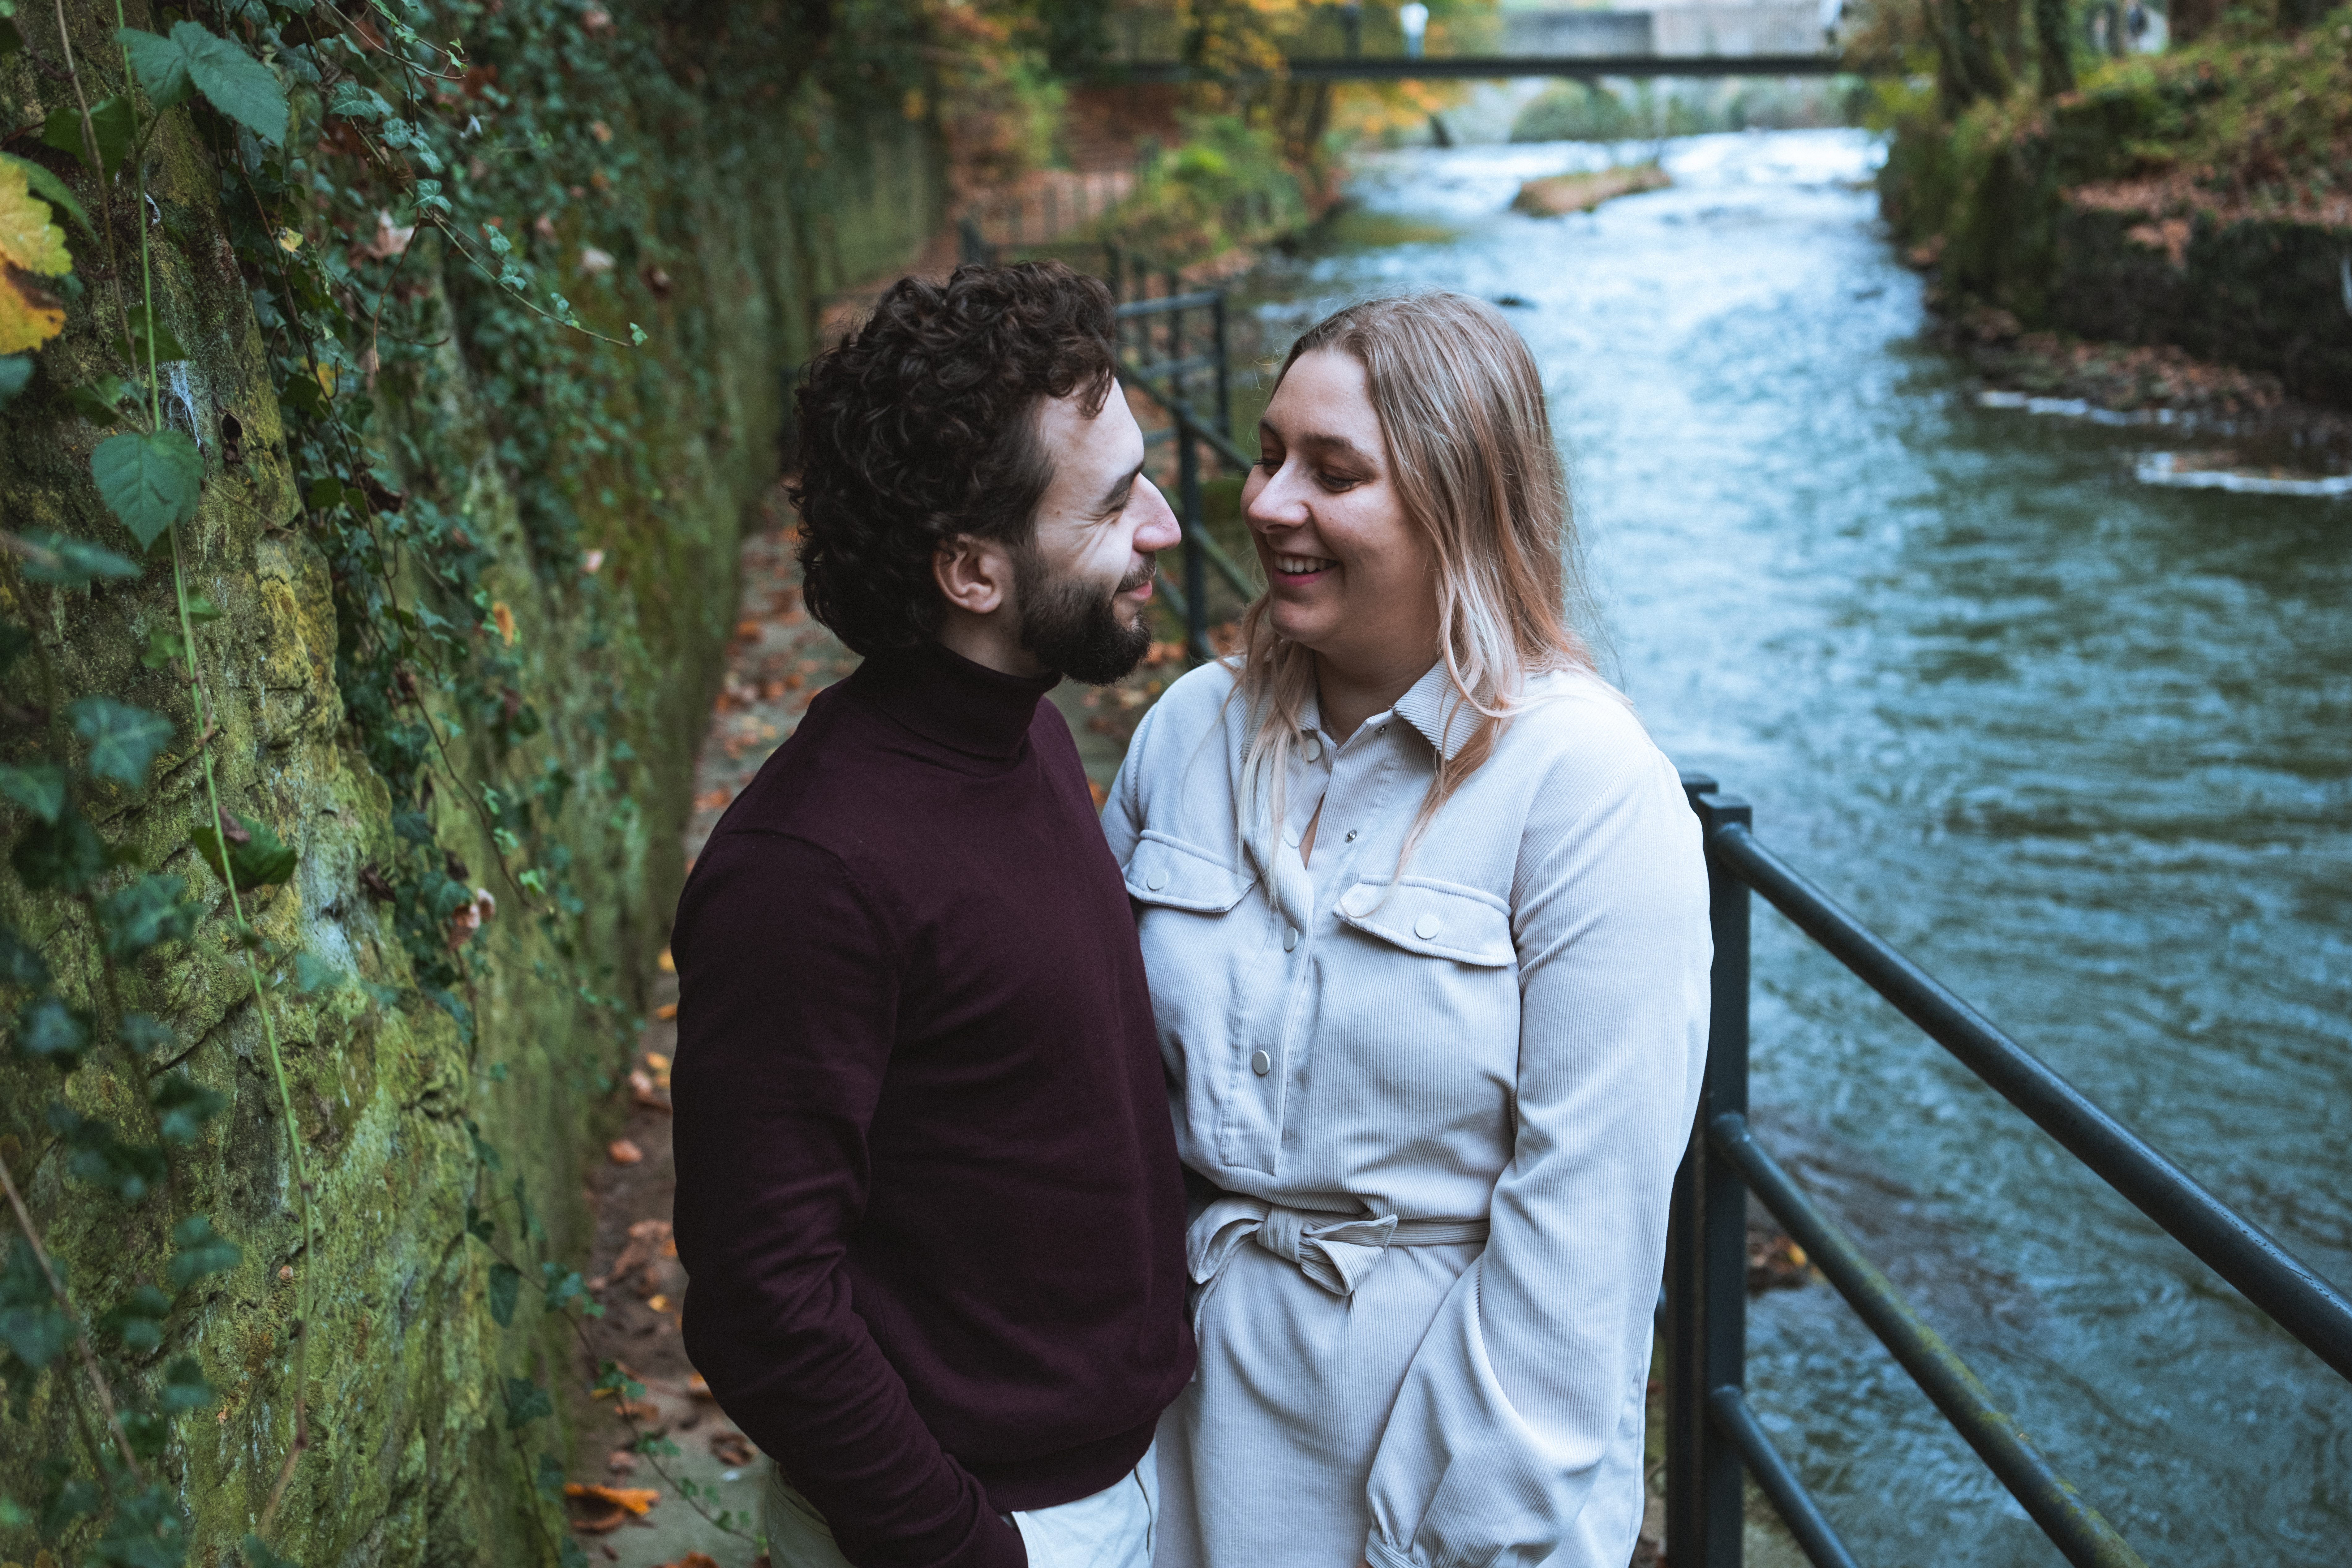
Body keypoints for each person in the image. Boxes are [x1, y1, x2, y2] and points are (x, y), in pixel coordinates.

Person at [1103, 292, 1712, 1568]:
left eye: (1333, 474)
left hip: (1443, 1457)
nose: (1268, 502)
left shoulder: (1585, 787)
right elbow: (1089, 1090)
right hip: (1177, 1433)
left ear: (1460, 504)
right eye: (1268, 454)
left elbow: (1583, 1236)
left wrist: (1451, 1537)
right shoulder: (1186, 731)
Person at [670, 261, 1196, 1568]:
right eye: (1114, 502)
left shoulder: (1024, 737)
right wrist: (964, 1549)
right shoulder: (807, 870)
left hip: (1117, 1487)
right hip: (979, 1526)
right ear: (971, 570)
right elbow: (758, 1300)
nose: (1167, 527)